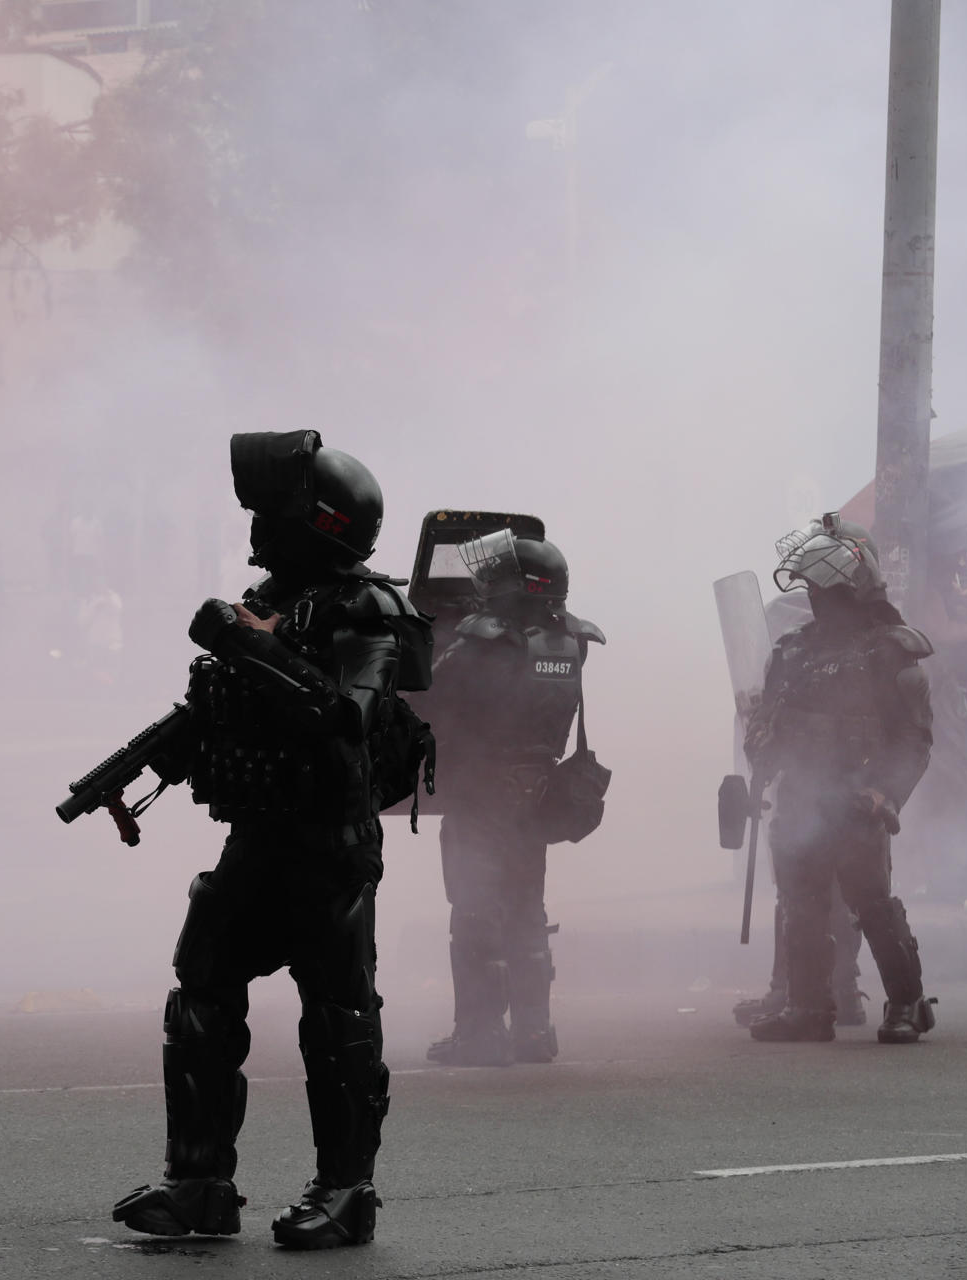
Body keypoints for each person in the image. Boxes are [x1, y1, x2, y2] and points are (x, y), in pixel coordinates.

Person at [112, 431, 432, 1250]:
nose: (255, 526)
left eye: (272, 513)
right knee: (201, 993)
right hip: (257, 840)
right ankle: (200, 1185)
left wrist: (241, 641)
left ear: (320, 524)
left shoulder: (369, 611)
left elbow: (343, 715)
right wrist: (154, 761)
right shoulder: (271, 598)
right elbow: (226, 711)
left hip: (330, 846)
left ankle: (346, 1193)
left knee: (337, 1019)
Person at [744, 514, 935, 1045]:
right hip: (803, 798)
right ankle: (808, 1008)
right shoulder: (793, 651)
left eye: (826, 589)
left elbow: (914, 740)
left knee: (872, 904)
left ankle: (908, 1003)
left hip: (858, 799)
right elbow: (767, 721)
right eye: (812, 589)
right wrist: (761, 748)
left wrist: (885, 792)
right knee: (800, 903)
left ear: (854, 591)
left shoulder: (891, 651)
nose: (817, 599)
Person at [422, 532, 604, 1067]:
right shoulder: (573, 642)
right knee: (527, 906)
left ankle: (480, 1033)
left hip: (481, 792)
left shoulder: (484, 642)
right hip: (538, 791)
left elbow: (431, 694)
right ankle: (534, 1032)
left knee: (474, 907)